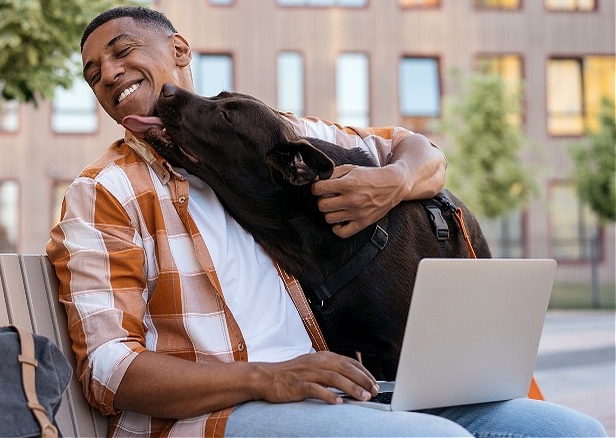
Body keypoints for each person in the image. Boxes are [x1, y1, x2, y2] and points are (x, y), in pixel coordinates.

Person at [47, 6, 607, 437]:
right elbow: (109, 370)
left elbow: (419, 151)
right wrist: (267, 376)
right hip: (217, 415)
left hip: (339, 392)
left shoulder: (264, 131)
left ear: (178, 49)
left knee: (571, 430)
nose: (110, 75)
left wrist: (395, 181)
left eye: (123, 52)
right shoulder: (104, 193)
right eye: (95, 74)